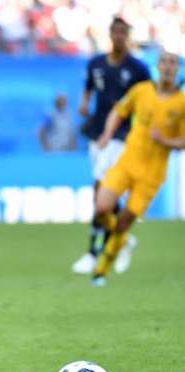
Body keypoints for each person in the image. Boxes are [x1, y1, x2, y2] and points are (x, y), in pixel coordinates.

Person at [90, 51, 185, 287]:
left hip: (152, 174)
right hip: (127, 162)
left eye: (172, 63)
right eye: (164, 61)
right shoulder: (141, 90)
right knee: (102, 208)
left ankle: (101, 271)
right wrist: (107, 134)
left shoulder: (181, 103)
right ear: (158, 66)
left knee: (123, 222)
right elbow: (118, 111)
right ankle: (123, 241)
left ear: (177, 69)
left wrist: (166, 141)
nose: (167, 67)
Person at [72, 17, 150, 275]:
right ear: (109, 34)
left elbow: (145, 102)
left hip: (121, 137)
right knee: (103, 196)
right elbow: (88, 89)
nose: (118, 36)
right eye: (114, 32)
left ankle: (93, 252)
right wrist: (84, 104)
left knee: (100, 189)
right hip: (97, 134)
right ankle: (122, 239)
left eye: (122, 32)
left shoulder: (138, 69)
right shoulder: (96, 64)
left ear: (128, 35)